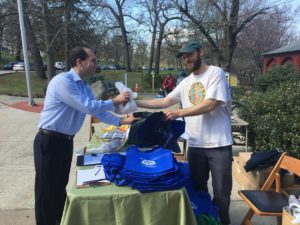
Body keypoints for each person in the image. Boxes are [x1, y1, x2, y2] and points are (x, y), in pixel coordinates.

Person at [33, 47, 138, 225]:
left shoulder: (83, 86)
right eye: (93, 60)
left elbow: (98, 109)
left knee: (59, 188)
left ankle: (60, 221)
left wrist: (122, 122)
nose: (96, 64)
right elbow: (88, 106)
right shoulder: (63, 82)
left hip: (65, 142)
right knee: (46, 192)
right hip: (49, 140)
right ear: (79, 62)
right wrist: (115, 100)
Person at [136, 40, 233, 225]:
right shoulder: (186, 82)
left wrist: (179, 112)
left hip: (219, 145)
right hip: (195, 145)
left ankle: (223, 222)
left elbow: (211, 104)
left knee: (222, 195)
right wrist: (136, 102)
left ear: (201, 52)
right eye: (183, 56)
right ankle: (205, 221)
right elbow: (165, 102)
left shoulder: (215, 73)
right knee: (197, 190)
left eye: (190, 54)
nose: (186, 59)